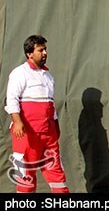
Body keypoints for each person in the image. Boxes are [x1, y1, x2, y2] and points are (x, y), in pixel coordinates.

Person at [4, 35, 69, 193]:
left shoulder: (49, 77)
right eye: (40, 50)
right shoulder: (19, 73)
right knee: (25, 176)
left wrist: (56, 125)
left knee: (57, 174)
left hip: (48, 134)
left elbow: (50, 104)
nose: (45, 53)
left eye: (45, 49)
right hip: (27, 134)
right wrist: (17, 122)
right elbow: (12, 99)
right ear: (29, 54)